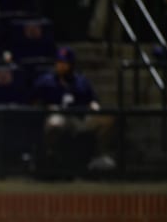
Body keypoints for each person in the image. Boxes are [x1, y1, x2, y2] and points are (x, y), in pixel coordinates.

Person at [31, 46, 116, 174]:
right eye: (59, 62)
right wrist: (46, 107)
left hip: (79, 117)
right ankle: (49, 156)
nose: (61, 66)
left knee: (107, 119)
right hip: (58, 117)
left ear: (71, 64)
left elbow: (92, 100)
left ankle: (99, 155)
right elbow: (33, 101)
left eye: (64, 63)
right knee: (55, 123)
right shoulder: (46, 81)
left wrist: (94, 106)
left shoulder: (81, 81)